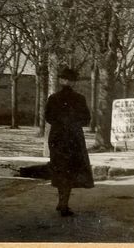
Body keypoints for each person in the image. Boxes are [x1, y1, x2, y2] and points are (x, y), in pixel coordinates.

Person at [45, 66, 94, 217]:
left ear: (61, 81)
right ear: (73, 83)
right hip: (73, 138)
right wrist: (73, 123)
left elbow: (48, 118)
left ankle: (62, 201)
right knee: (70, 169)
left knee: (60, 168)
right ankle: (64, 203)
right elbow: (86, 119)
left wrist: (61, 123)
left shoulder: (53, 98)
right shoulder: (80, 99)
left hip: (57, 137)